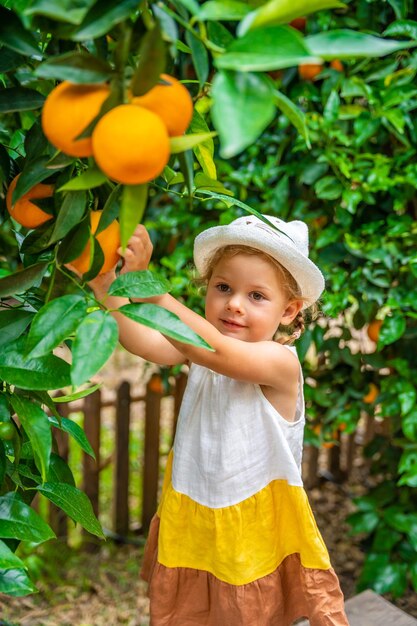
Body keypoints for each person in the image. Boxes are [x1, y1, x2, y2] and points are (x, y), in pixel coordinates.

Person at [89, 214, 349, 626]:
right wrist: (108, 287)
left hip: (253, 527)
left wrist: (152, 292)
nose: (233, 303)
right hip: (196, 510)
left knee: (246, 613)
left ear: (290, 310)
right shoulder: (202, 347)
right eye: (223, 287)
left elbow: (220, 355)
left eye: (257, 296)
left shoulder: (278, 363)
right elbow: (144, 341)